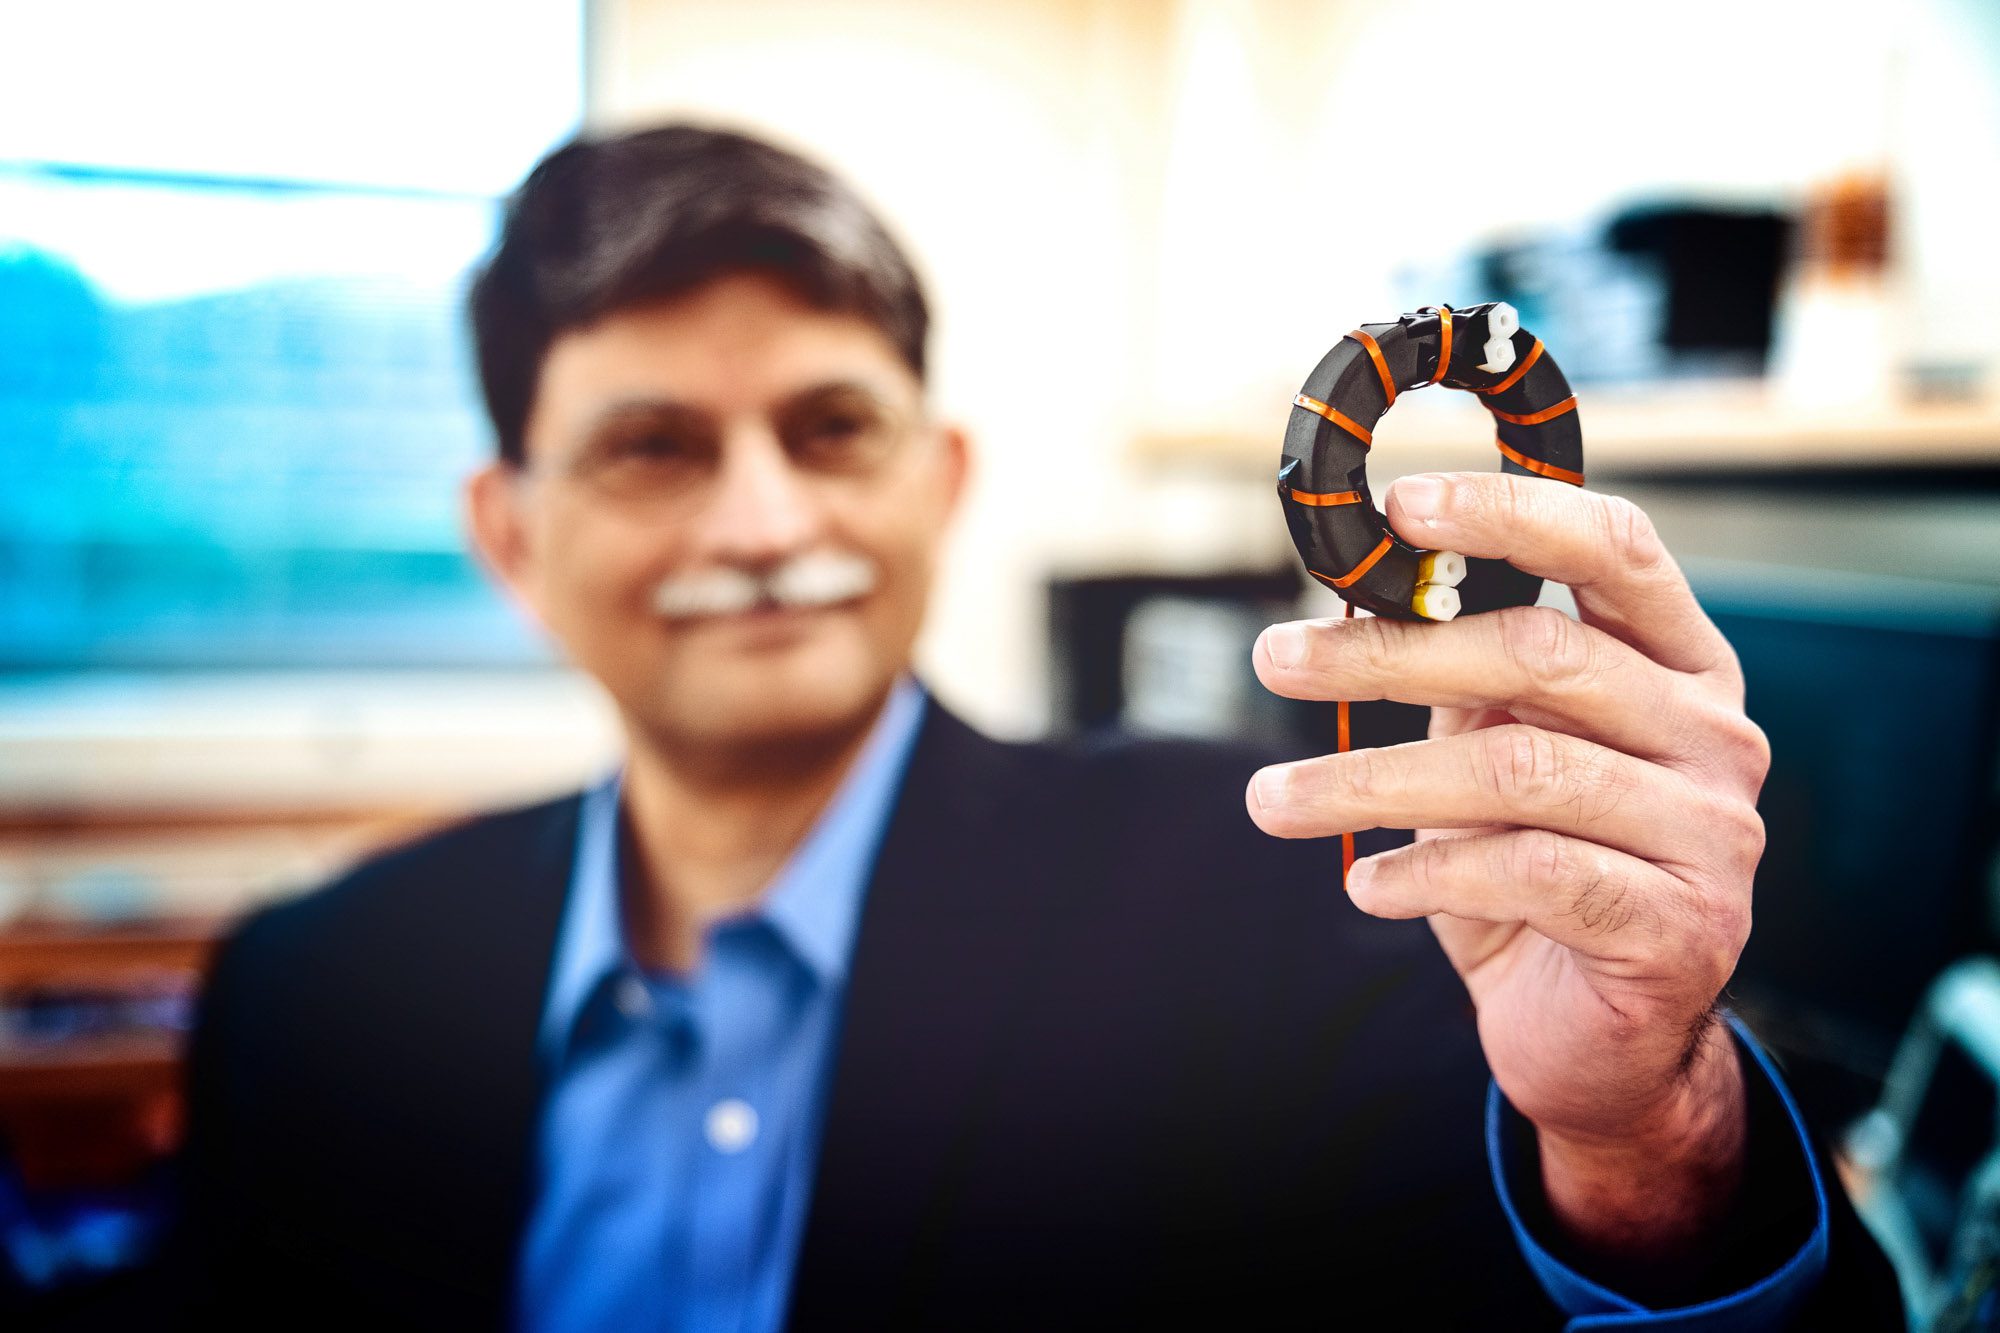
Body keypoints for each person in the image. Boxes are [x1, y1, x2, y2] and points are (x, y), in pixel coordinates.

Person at [168, 124, 1904, 1329]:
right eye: (655, 446)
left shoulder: (1312, 906)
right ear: (510, 532)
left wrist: (1639, 1132)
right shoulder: (313, 1001)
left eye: (832, 426)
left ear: (942, 481)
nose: (766, 524)